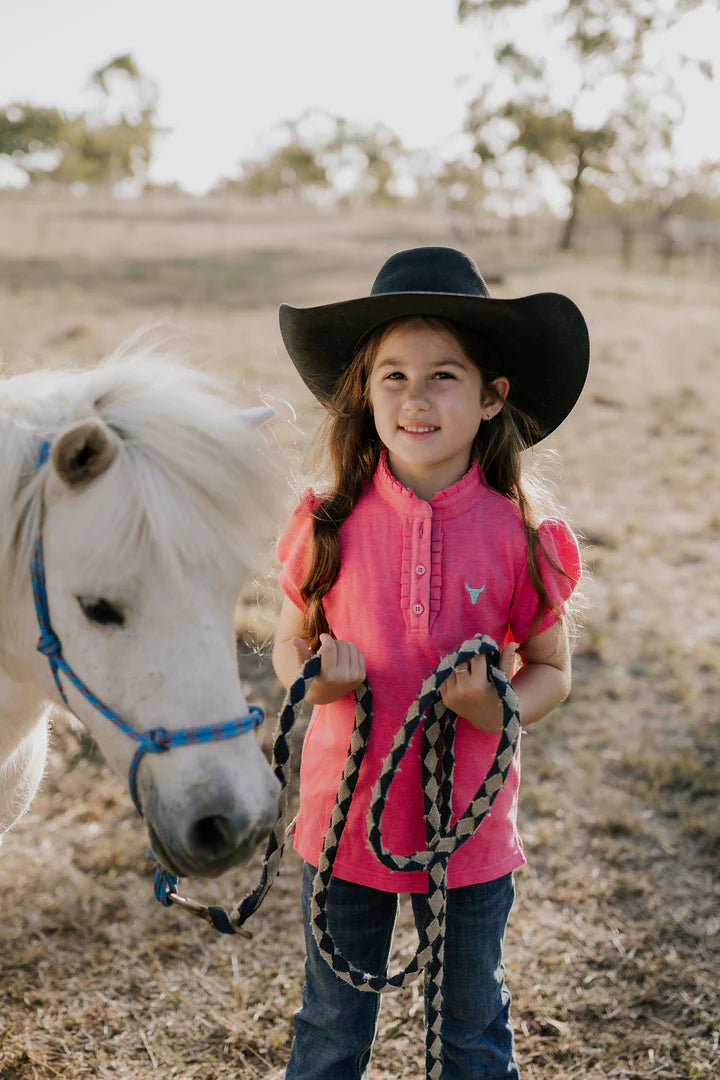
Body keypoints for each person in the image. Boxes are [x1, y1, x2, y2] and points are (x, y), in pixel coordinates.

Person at [272, 246, 589, 1080]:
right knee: (333, 1023)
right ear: (364, 393)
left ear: (491, 398)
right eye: (393, 376)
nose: (416, 397)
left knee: (472, 1022)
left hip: (469, 834)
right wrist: (316, 680)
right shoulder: (329, 523)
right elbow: (286, 643)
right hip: (343, 824)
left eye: (443, 375)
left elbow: (552, 667)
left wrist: (501, 709)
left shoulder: (520, 537)